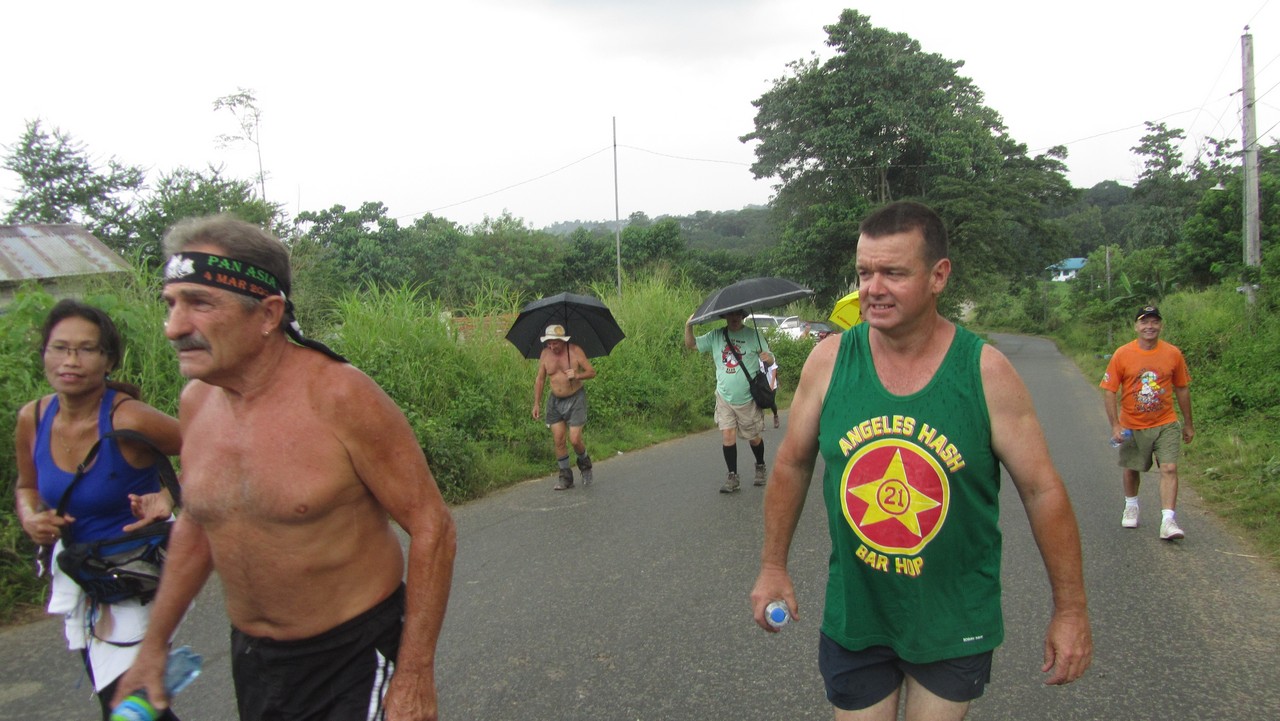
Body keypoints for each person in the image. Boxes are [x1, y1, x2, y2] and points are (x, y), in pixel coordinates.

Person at [750, 201, 1092, 720]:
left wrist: (1070, 610)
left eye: (894, 272)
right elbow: (792, 464)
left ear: (938, 276)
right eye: (864, 272)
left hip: (953, 618)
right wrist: (773, 566)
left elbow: (1042, 490)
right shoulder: (830, 361)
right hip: (858, 614)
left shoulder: (985, 373)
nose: (873, 288)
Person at [112, 215, 457, 721]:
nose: (174, 328)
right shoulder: (195, 403)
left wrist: (415, 674)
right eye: (171, 304)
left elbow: (432, 526)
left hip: (354, 658)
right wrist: (153, 646)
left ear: (268, 313)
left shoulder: (340, 396)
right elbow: (198, 524)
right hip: (257, 661)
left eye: (200, 303)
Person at [13, 300, 182, 721]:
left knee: (128, 705)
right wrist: (31, 516)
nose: (71, 361)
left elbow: (210, 448)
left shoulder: (130, 419)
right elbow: (27, 486)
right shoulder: (33, 417)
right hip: (84, 575)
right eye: (60, 348)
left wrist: (170, 496)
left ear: (109, 360)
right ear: (44, 353)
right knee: (128, 704)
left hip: (139, 573)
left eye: (87, 349)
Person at [1100, 305, 1194, 540]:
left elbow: (1182, 388)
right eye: (1144, 322)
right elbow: (1110, 390)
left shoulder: (1172, 353)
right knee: (1132, 468)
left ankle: (1168, 521)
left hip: (1166, 422)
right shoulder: (1122, 354)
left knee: (1169, 468)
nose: (1149, 326)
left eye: (1154, 322)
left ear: (1160, 325)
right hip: (1132, 424)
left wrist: (1188, 423)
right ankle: (1131, 505)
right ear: (1136, 326)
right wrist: (1115, 425)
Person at [684, 309, 772, 492]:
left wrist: (768, 358)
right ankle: (732, 476)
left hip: (747, 398)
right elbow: (691, 345)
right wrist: (688, 326)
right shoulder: (716, 336)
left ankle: (760, 465)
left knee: (753, 437)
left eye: (738, 314)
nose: (734, 318)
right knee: (727, 435)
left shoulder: (753, 335)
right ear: (724, 316)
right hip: (724, 396)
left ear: (743, 316)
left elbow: (770, 359)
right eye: (730, 314)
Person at [531, 323, 597, 490]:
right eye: (549, 343)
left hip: (576, 399)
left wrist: (577, 375)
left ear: (562, 340)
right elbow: (540, 379)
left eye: (555, 343)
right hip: (555, 401)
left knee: (574, 439)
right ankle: (565, 477)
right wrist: (536, 403)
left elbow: (591, 372)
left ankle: (585, 465)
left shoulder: (575, 351)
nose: (552, 347)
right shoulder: (545, 354)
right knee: (559, 440)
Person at [760, 351, 781, 428]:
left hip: (770, 382)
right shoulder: (757, 358)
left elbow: (774, 369)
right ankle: (761, 422)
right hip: (762, 383)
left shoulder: (770, 355)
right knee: (760, 403)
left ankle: (775, 415)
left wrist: (772, 384)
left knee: (771, 402)